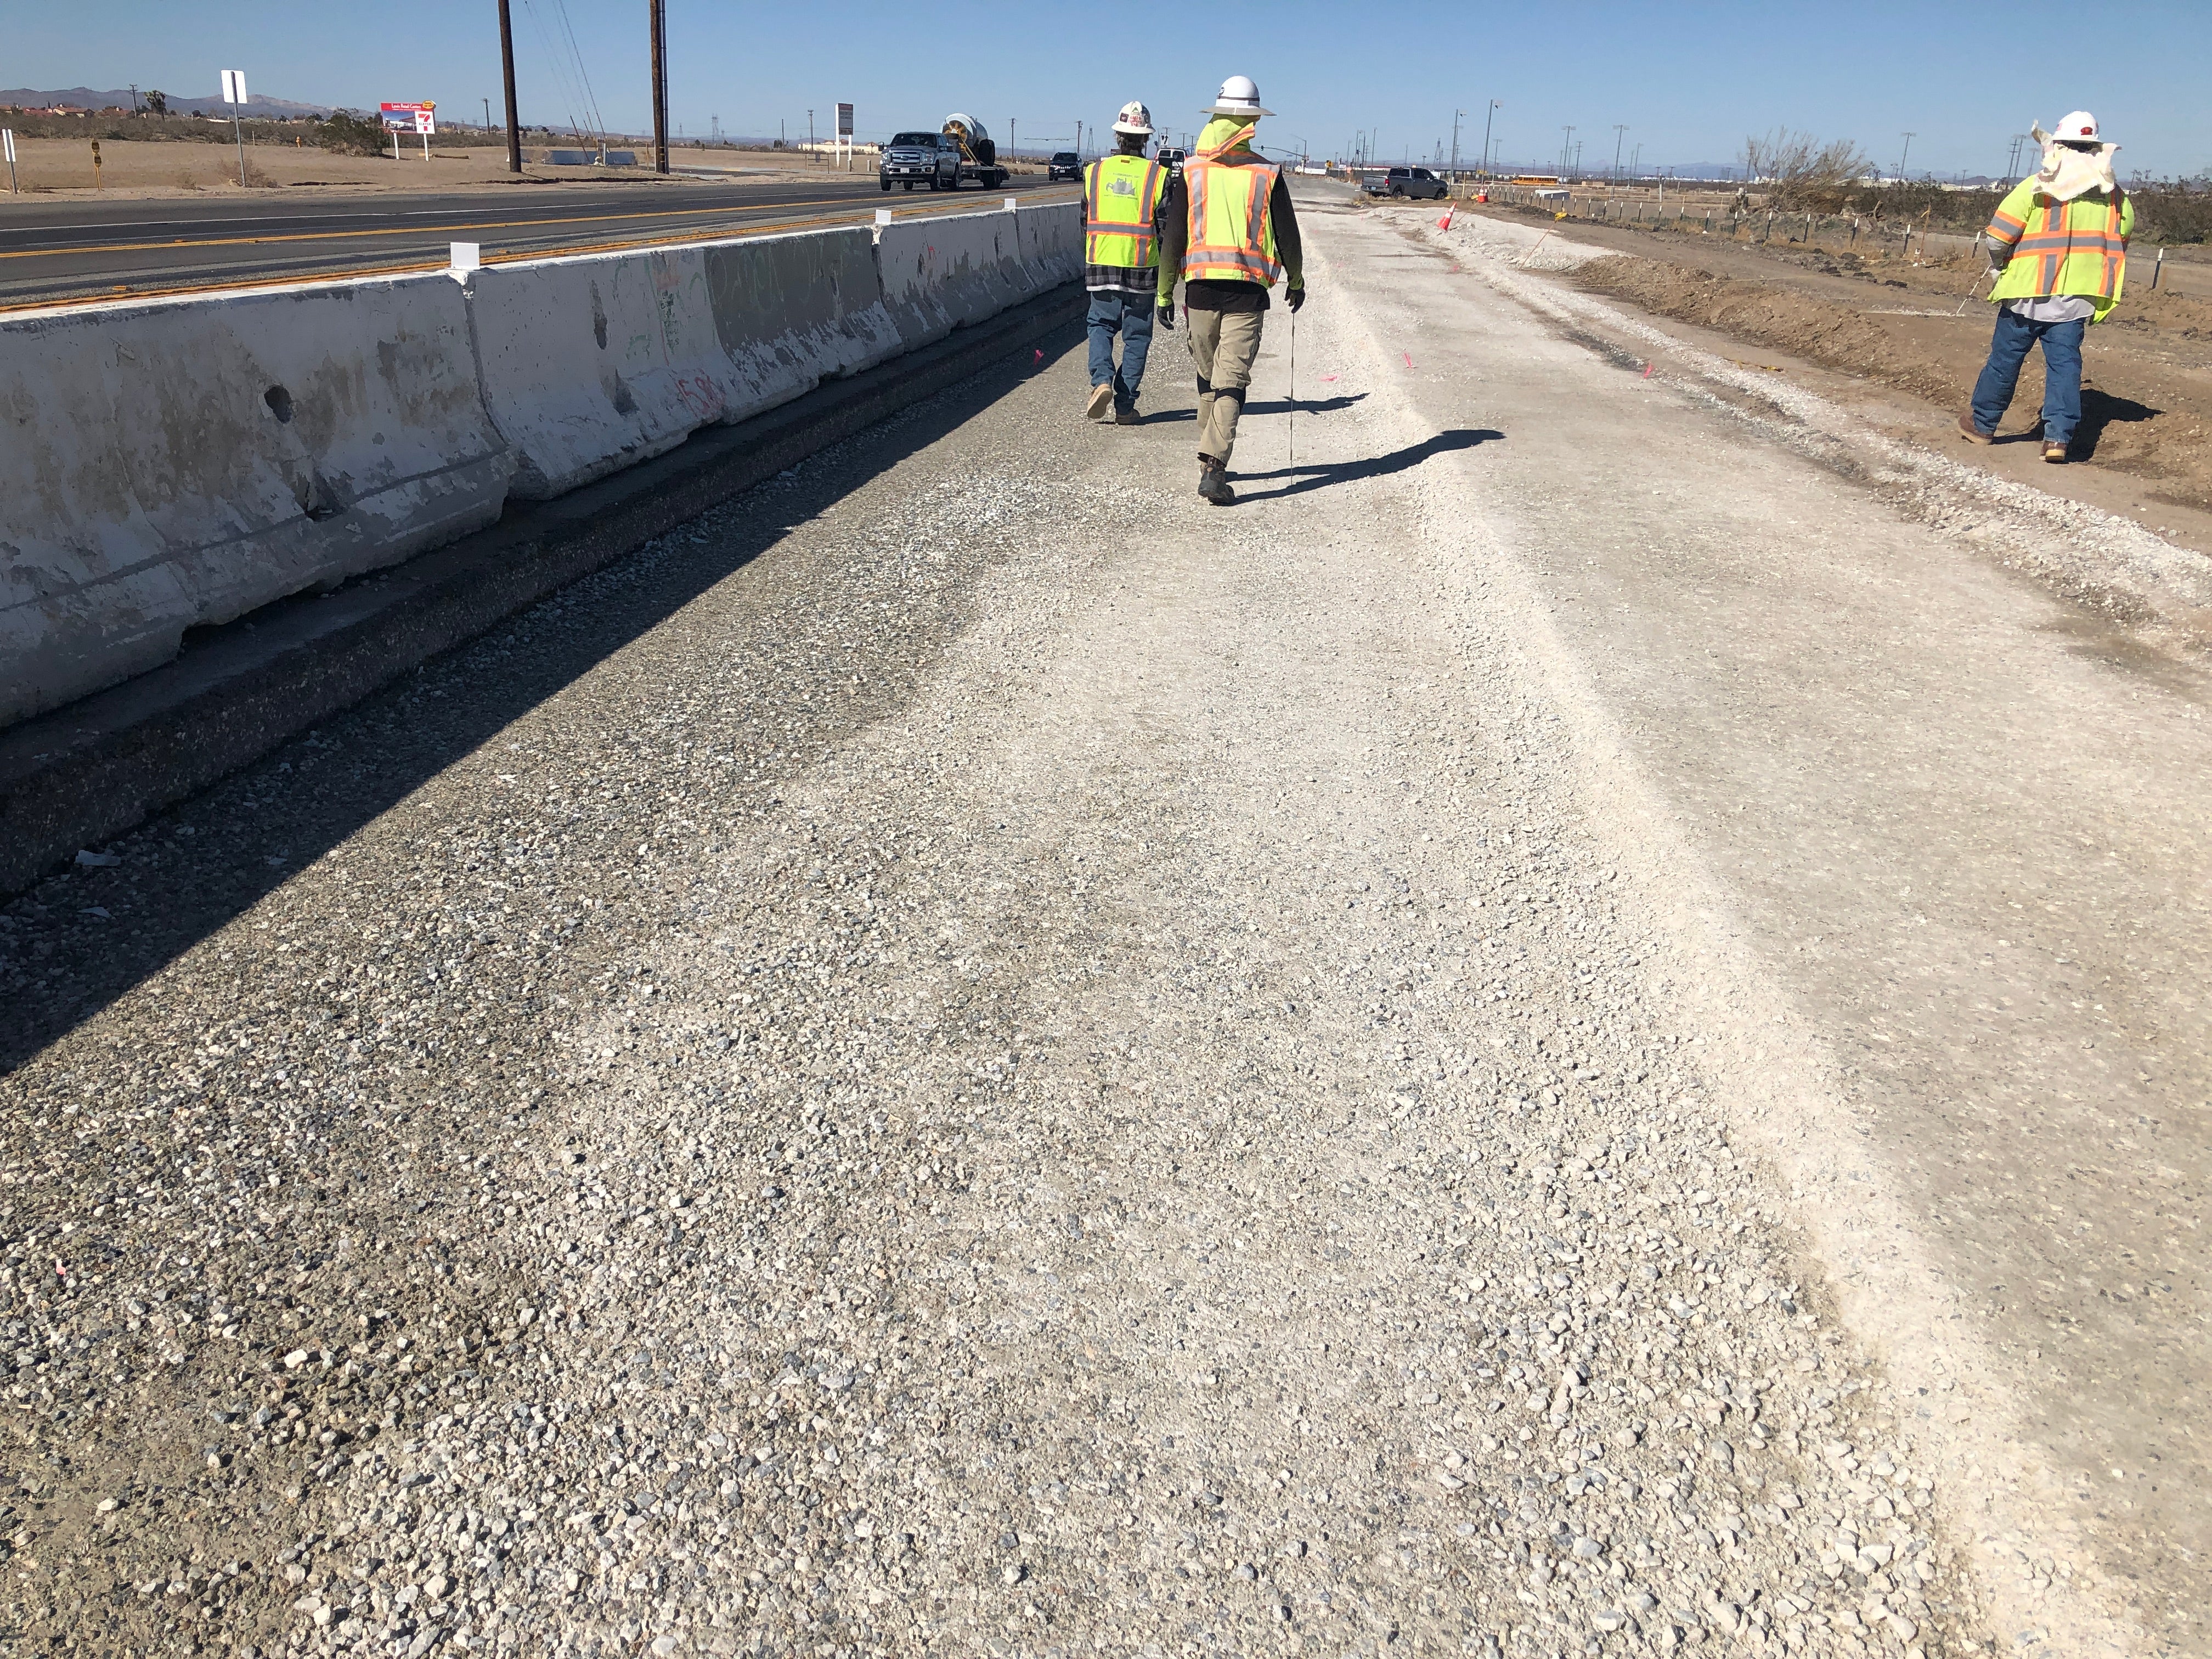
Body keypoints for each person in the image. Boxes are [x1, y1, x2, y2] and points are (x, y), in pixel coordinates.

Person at [1155, 76, 1307, 505]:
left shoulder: (1191, 170)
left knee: (1214, 380)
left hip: (1199, 293)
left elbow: (1174, 238)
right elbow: (1288, 235)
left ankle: (1213, 465)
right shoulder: (1266, 173)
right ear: (1253, 122)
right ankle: (1213, 465)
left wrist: (1166, 293)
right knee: (1227, 383)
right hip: (1246, 294)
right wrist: (1295, 280)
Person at [1961, 111, 2134, 464]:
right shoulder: (2114, 195)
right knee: (2065, 367)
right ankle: (2058, 439)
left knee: (2004, 362)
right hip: (2076, 300)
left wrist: (2001, 266)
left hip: (2026, 295)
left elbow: (1998, 236)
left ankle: (1982, 426)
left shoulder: (2036, 185)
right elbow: (2123, 237)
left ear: (2057, 145)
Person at [1081, 103, 1169, 425]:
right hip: (1142, 269)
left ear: (1118, 136)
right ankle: (1125, 405)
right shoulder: (1158, 176)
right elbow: (1167, 228)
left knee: (1100, 326)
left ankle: (1101, 381)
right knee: (1137, 337)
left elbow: (1084, 220)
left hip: (1101, 263)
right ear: (1145, 139)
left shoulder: (1095, 172)